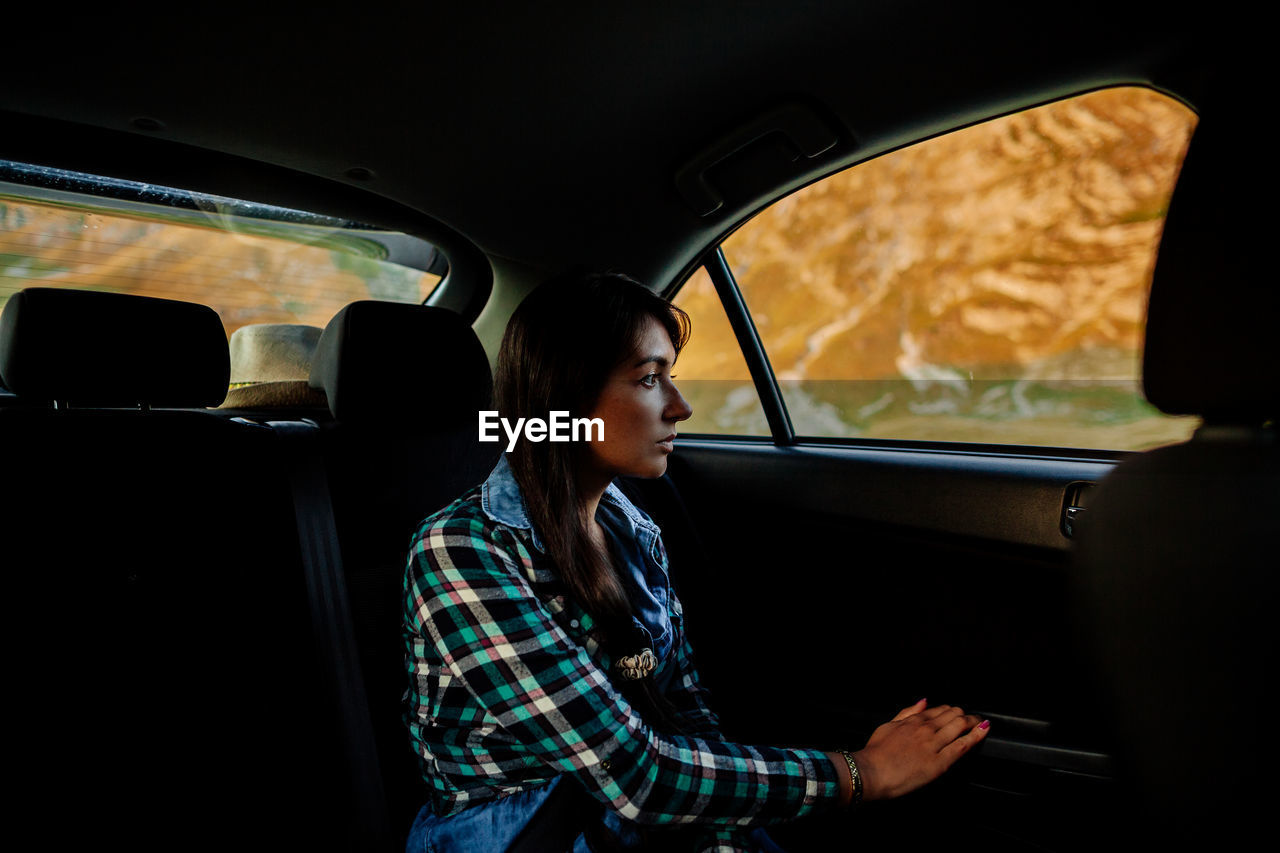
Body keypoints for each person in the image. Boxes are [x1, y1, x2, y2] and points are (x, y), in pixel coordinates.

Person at [402, 271, 990, 852]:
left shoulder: (631, 530)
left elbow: (686, 722)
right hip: (523, 834)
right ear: (566, 397)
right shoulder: (462, 550)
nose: (680, 407)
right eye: (650, 379)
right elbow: (636, 775)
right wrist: (860, 773)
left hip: (633, 819)